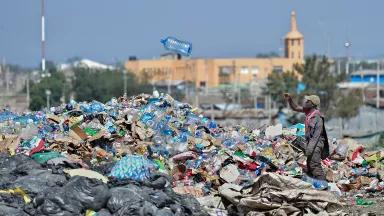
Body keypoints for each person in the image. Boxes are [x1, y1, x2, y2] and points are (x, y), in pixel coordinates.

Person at [284, 93, 329, 181]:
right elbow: (295, 107)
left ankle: (324, 187)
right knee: (309, 166)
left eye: (308, 101)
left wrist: (309, 150)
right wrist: (290, 99)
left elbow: (316, 136)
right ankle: (315, 185)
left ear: (312, 104)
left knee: (315, 166)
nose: (305, 102)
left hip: (316, 145)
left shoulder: (318, 117)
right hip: (311, 144)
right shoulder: (308, 112)